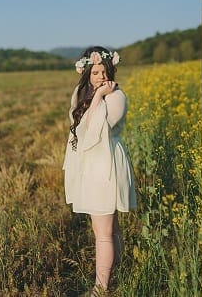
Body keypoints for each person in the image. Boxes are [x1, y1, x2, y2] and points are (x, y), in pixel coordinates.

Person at [63, 46, 137, 293]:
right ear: (86, 73)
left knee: (104, 232)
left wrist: (98, 97)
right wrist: (93, 96)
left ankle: (100, 288)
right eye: (95, 72)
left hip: (106, 163)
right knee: (109, 228)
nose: (101, 77)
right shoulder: (80, 94)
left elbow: (94, 131)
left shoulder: (116, 97)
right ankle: (117, 274)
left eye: (104, 71)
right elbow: (77, 127)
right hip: (89, 164)